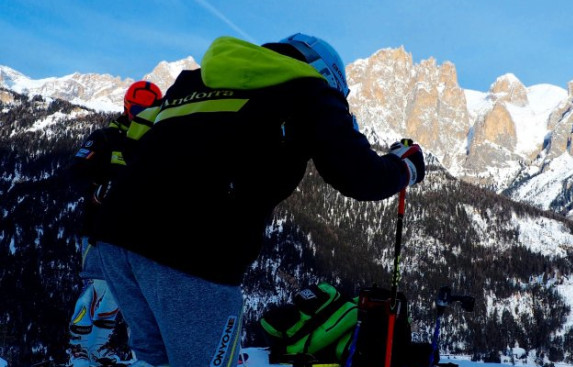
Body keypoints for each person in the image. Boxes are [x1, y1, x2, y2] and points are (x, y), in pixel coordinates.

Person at [91, 33, 425, 366]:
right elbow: (362, 176)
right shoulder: (309, 89)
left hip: (115, 234)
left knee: (155, 361)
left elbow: (137, 137)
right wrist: (405, 167)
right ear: (325, 74)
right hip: (189, 249)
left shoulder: (193, 81)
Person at [67, 81, 163, 367]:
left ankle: (98, 348)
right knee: (96, 287)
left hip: (133, 233)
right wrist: (100, 185)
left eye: (149, 109)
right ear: (126, 107)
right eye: (137, 108)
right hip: (99, 229)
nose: (142, 113)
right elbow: (76, 170)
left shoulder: (155, 142)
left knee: (116, 292)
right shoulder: (106, 138)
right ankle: (78, 349)